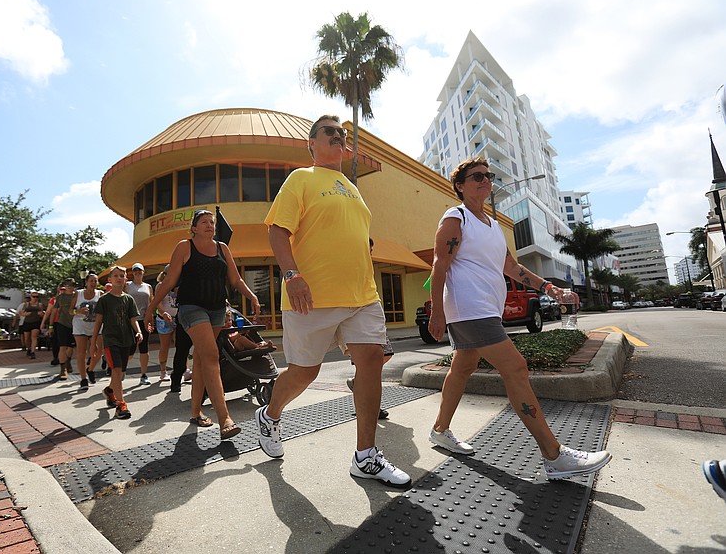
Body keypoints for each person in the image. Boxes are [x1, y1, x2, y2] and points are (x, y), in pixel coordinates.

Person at [426, 156, 611, 480]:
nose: (485, 180)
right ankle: (554, 455)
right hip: (469, 308)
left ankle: (440, 430)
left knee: (463, 367)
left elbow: (511, 268)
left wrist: (551, 289)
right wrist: (437, 312)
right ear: (460, 185)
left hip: (487, 307)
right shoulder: (456, 218)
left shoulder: (494, 226)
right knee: (515, 367)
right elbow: (439, 264)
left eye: (488, 175)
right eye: (476, 176)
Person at [256, 115, 411, 489]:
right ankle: (271, 413)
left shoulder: (351, 187)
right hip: (311, 297)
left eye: (342, 134)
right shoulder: (302, 178)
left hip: (361, 294)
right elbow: (278, 231)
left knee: (372, 360)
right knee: (305, 372)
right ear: (311, 143)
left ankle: (366, 456)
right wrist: (292, 275)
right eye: (330, 132)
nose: (339, 137)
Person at [146, 209, 261, 438]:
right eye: (204, 222)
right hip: (191, 308)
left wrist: (252, 296)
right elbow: (169, 280)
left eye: (212, 222)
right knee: (210, 356)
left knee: (200, 360)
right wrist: (151, 308)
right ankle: (225, 419)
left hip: (217, 309)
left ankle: (196, 411)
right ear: (194, 228)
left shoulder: (223, 248)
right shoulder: (184, 246)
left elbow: (235, 279)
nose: (210, 225)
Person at [345, 238, 390, 420]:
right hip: (354, 315)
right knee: (368, 364)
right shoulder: (349, 261)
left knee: (382, 357)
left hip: (370, 312)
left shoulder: (366, 267)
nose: (369, 255)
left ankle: (359, 385)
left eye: (371, 252)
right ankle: (366, 406)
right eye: (367, 251)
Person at [91, 265, 143, 420]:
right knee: (117, 370)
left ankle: (110, 391)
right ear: (110, 280)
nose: (120, 278)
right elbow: (98, 322)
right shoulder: (104, 300)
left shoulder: (129, 299)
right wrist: (93, 342)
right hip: (110, 339)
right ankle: (121, 405)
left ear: (126, 279)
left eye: (122, 275)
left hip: (126, 339)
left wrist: (138, 331)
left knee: (119, 374)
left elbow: (133, 319)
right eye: (116, 276)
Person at [71, 273, 102, 390]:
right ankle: (83, 379)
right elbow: (70, 311)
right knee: (81, 353)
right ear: (86, 282)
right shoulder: (78, 294)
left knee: (99, 351)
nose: (93, 283)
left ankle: (90, 369)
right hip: (80, 326)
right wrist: (78, 311)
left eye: (95, 281)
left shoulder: (100, 294)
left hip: (96, 326)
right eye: (91, 281)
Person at [41, 279, 77, 380]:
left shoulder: (77, 296)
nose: (70, 287)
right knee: (62, 346)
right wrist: (51, 326)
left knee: (70, 348)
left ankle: (68, 360)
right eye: (68, 285)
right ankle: (63, 369)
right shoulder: (59, 298)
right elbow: (53, 312)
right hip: (62, 324)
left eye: (72, 285)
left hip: (74, 324)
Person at [127, 263, 154, 385]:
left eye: (140, 271)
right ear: (133, 273)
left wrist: (150, 319)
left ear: (143, 272)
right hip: (130, 320)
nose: (138, 273)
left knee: (144, 347)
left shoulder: (148, 287)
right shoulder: (127, 285)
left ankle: (143, 374)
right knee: (130, 348)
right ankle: (119, 371)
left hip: (143, 319)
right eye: (135, 271)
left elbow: (150, 303)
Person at [153, 265, 177, 383]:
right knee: (165, 346)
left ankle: (183, 368)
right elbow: (157, 302)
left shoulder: (178, 285)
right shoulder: (160, 286)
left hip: (177, 318)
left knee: (181, 345)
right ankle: (163, 371)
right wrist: (163, 313)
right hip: (164, 320)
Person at [19, 292, 45, 359]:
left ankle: (33, 352)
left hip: (36, 322)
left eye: (37, 297)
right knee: (27, 338)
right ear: (31, 297)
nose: (35, 298)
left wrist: (41, 314)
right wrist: (26, 314)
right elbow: (21, 313)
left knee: (34, 337)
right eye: (34, 296)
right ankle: (29, 348)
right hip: (27, 322)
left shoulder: (40, 305)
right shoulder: (26, 304)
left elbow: (43, 314)